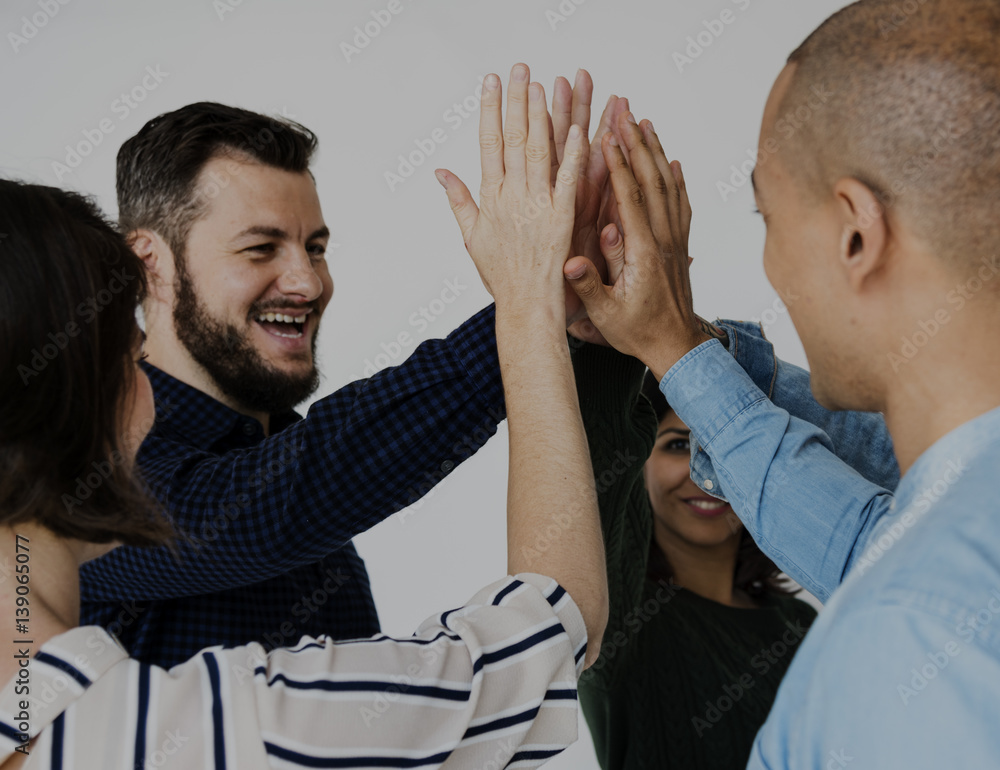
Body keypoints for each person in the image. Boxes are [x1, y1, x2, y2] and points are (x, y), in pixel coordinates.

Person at [0, 63, 608, 768]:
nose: (308, 281)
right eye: (261, 248)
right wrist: (530, 311)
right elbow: (261, 508)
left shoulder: (312, 544)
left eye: (316, 248)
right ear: (150, 267)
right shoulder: (117, 499)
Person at [562, 0, 1000, 764]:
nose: (770, 264)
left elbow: (895, 577)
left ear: (856, 234)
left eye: (768, 217)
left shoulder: (903, 633)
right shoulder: (940, 562)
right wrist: (682, 346)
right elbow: (879, 540)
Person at [570, 347, 816, 769]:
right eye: (679, 444)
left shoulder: (801, 624)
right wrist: (615, 332)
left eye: (724, 446)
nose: (705, 472)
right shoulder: (622, 617)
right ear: (640, 461)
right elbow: (602, 437)